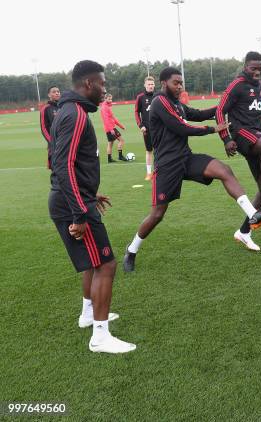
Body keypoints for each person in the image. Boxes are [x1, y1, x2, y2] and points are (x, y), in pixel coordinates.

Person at [123, 67, 261, 271]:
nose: (179, 86)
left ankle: (252, 214)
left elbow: (200, 114)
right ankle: (131, 250)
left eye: (181, 83)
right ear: (163, 83)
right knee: (157, 214)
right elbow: (181, 128)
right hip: (167, 165)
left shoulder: (178, 104)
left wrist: (225, 105)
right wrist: (214, 129)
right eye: (175, 83)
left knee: (224, 170)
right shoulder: (160, 103)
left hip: (186, 158)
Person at [49, 60, 135, 354]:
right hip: (71, 204)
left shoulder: (69, 111)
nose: (105, 89)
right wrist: (80, 211)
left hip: (74, 198)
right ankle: (100, 337)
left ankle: (88, 315)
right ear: (88, 84)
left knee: (93, 261)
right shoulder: (74, 114)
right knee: (106, 264)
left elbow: (60, 162)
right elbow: (62, 165)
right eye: (103, 83)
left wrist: (89, 194)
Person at [216, 52, 261, 251]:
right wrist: (226, 138)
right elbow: (220, 110)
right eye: (253, 68)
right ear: (245, 66)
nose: (256, 72)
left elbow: (260, 105)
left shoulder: (258, 86)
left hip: (255, 133)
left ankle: (244, 232)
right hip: (241, 133)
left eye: (259, 69)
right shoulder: (237, 85)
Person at [135, 76, 156, 180]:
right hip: (146, 129)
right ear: (145, 85)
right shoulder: (140, 97)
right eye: (149, 84)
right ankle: (149, 173)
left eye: (152, 84)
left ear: (154, 85)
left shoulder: (159, 96)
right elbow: (136, 112)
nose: (150, 86)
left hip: (159, 129)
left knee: (160, 150)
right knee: (149, 151)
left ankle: (158, 171)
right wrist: (141, 125)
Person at [100, 93, 127, 162]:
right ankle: (120, 156)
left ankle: (109, 159)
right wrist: (111, 129)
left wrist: (121, 126)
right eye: (109, 99)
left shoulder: (107, 106)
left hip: (109, 128)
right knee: (121, 140)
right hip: (110, 128)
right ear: (105, 99)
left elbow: (113, 119)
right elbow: (106, 120)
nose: (110, 100)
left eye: (111, 99)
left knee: (110, 143)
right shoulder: (104, 107)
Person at [40, 85, 61, 169]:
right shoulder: (45, 108)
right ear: (49, 95)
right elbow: (44, 128)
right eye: (54, 92)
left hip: (66, 142)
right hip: (54, 145)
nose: (57, 93)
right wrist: (52, 142)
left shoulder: (63, 106)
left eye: (58, 91)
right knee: (55, 169)